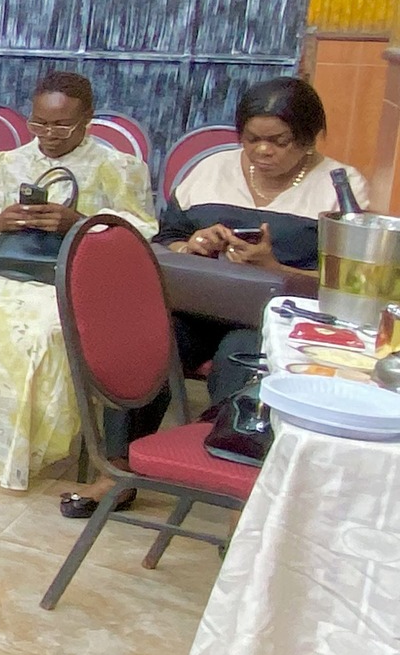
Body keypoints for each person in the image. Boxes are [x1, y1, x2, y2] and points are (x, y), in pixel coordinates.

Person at [61, 76, 371, 520]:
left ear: (306, 139)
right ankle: (120, 467)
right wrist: (192, 245)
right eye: (252, 139)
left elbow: (350, 284)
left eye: (279, 141)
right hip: (199, 305)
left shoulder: (340, 186)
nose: (262, 151)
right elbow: (163, 241)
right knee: (149, 343)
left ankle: (235, 486)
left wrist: (274, 268)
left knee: (239, 357)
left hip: (275, 317)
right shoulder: (211, 170)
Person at [0, 71, 156, 491]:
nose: (48, 135)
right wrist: (2, 221)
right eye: (39, 123)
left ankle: (21, 447)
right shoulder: (7, 162)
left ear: (87, 119)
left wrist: (79, 223)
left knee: (37, 331)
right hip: (6, 269)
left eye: (62, 125)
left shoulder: (120, 167)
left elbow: (140, 234)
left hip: (73, 280)